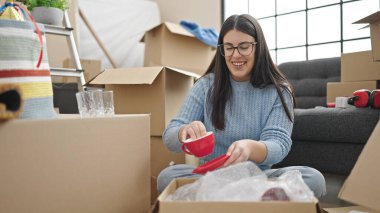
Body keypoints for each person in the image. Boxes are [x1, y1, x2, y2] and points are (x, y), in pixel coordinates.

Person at [157, 14, 326, 198]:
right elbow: (169, 137)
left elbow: (279, 145)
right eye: (228, 48)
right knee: (167, 177)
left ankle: (220, 199)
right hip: (212, 176)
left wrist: (250, 148)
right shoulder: (206, 86)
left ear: (258, 47)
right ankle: (250, 201)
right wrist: (184, 132)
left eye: (244, 47)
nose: (235, 55)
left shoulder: (278, 91)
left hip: (259, 177)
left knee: (313, 179)